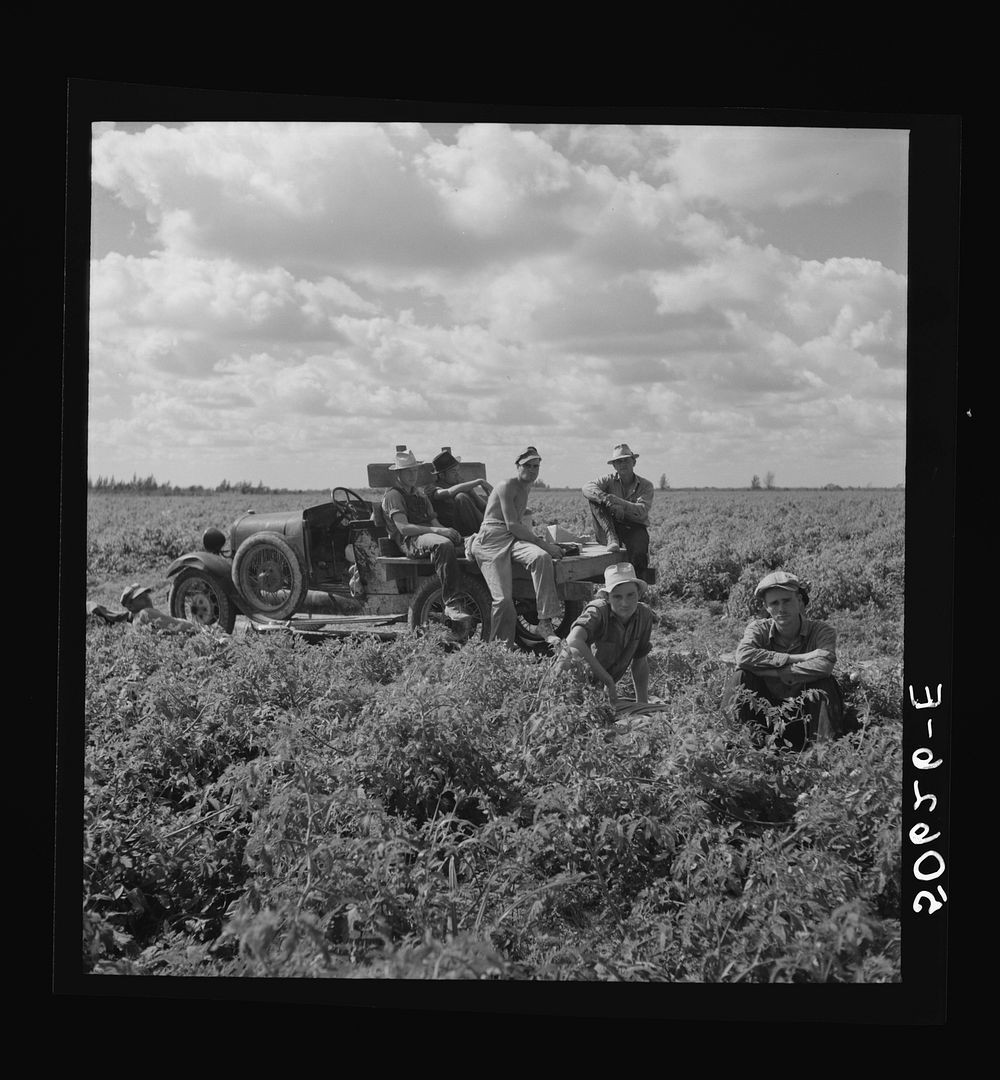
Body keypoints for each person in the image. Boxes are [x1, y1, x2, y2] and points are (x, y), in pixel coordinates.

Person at [721, 570, 846, 750]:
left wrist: (773, 671)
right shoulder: (758, 629)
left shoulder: (821, 631)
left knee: (825, 683)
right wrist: (800, 657)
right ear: (766, 607)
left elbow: (824, 666)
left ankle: (824, 754)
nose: (781, 608)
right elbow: (744, 656)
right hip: (764, 714)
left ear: (800, 601)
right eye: (774, 603)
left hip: (804, 716)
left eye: (786, 600)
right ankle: (738, 748)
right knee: (741, 677)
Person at [468, 446, 565, 646]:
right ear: (517, 466)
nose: (531, 469)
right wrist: (544, 543)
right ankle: (498, 649)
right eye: (526, 465)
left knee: (541, 558)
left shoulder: (526, 487)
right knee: (503, 600)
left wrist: (541, 545)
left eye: (535, 466)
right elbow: (512, 524)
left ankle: (545, 622)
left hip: (511, 539)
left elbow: (517, 524)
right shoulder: (507, 485)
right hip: (491, 540)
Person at [380, 445, 471, 632]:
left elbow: (433, 521)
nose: (413, 474)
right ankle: (452, 602)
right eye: (407, 471)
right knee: (443, 544)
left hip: (427, 535)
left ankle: (471, 589)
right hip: (410, 542)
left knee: (467, 542)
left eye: (414, 470)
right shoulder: (393, 496)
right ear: (398, 474)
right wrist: (439, 533)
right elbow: (404, 528)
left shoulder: (419, 493)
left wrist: (449, 532)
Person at [554, 562, 654, 706]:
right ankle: (562, 702)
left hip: (596, 690)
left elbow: (640, 663)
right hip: (570, 684)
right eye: (617, 597)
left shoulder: (644, 615)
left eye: (630, 595)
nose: (625, 603)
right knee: (572, 652)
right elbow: (573, 640)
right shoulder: (598, 611)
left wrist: (643, 704)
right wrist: (609, 681)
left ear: (639, 593)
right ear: (607, 597)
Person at [581, 443, 654, 577]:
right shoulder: (608, 480)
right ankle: (611, 537)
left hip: (634, 527)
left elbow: (641, 510)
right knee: (595, 498)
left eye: (626, 460)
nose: (622, 464)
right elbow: (587, 487)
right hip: (609, 526)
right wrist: (606, 499)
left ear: (634, 462)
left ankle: (637, 588)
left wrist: (619, 503)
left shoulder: (646, 485)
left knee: (639, 553)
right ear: (614, 466)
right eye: (618, 462)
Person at [424, 447, 493, 537]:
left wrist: (473, 492)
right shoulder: (431, 488)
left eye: (458, 470)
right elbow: (448, 492)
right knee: (461, 497)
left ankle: (490, 530)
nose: (457, 474)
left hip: (475, 525)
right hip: (454, 529)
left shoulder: (461, 485)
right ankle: (485, 533)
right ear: (441, 475)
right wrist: (478, 481)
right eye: (453, 472)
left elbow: (483, 507)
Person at [119, 584, 203, 634]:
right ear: (131, 607)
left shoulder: (136, 622)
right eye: (141, 598)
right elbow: (175, 624)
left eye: (146, 595)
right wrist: (198, 627)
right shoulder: (145, 613)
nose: (147, 599)